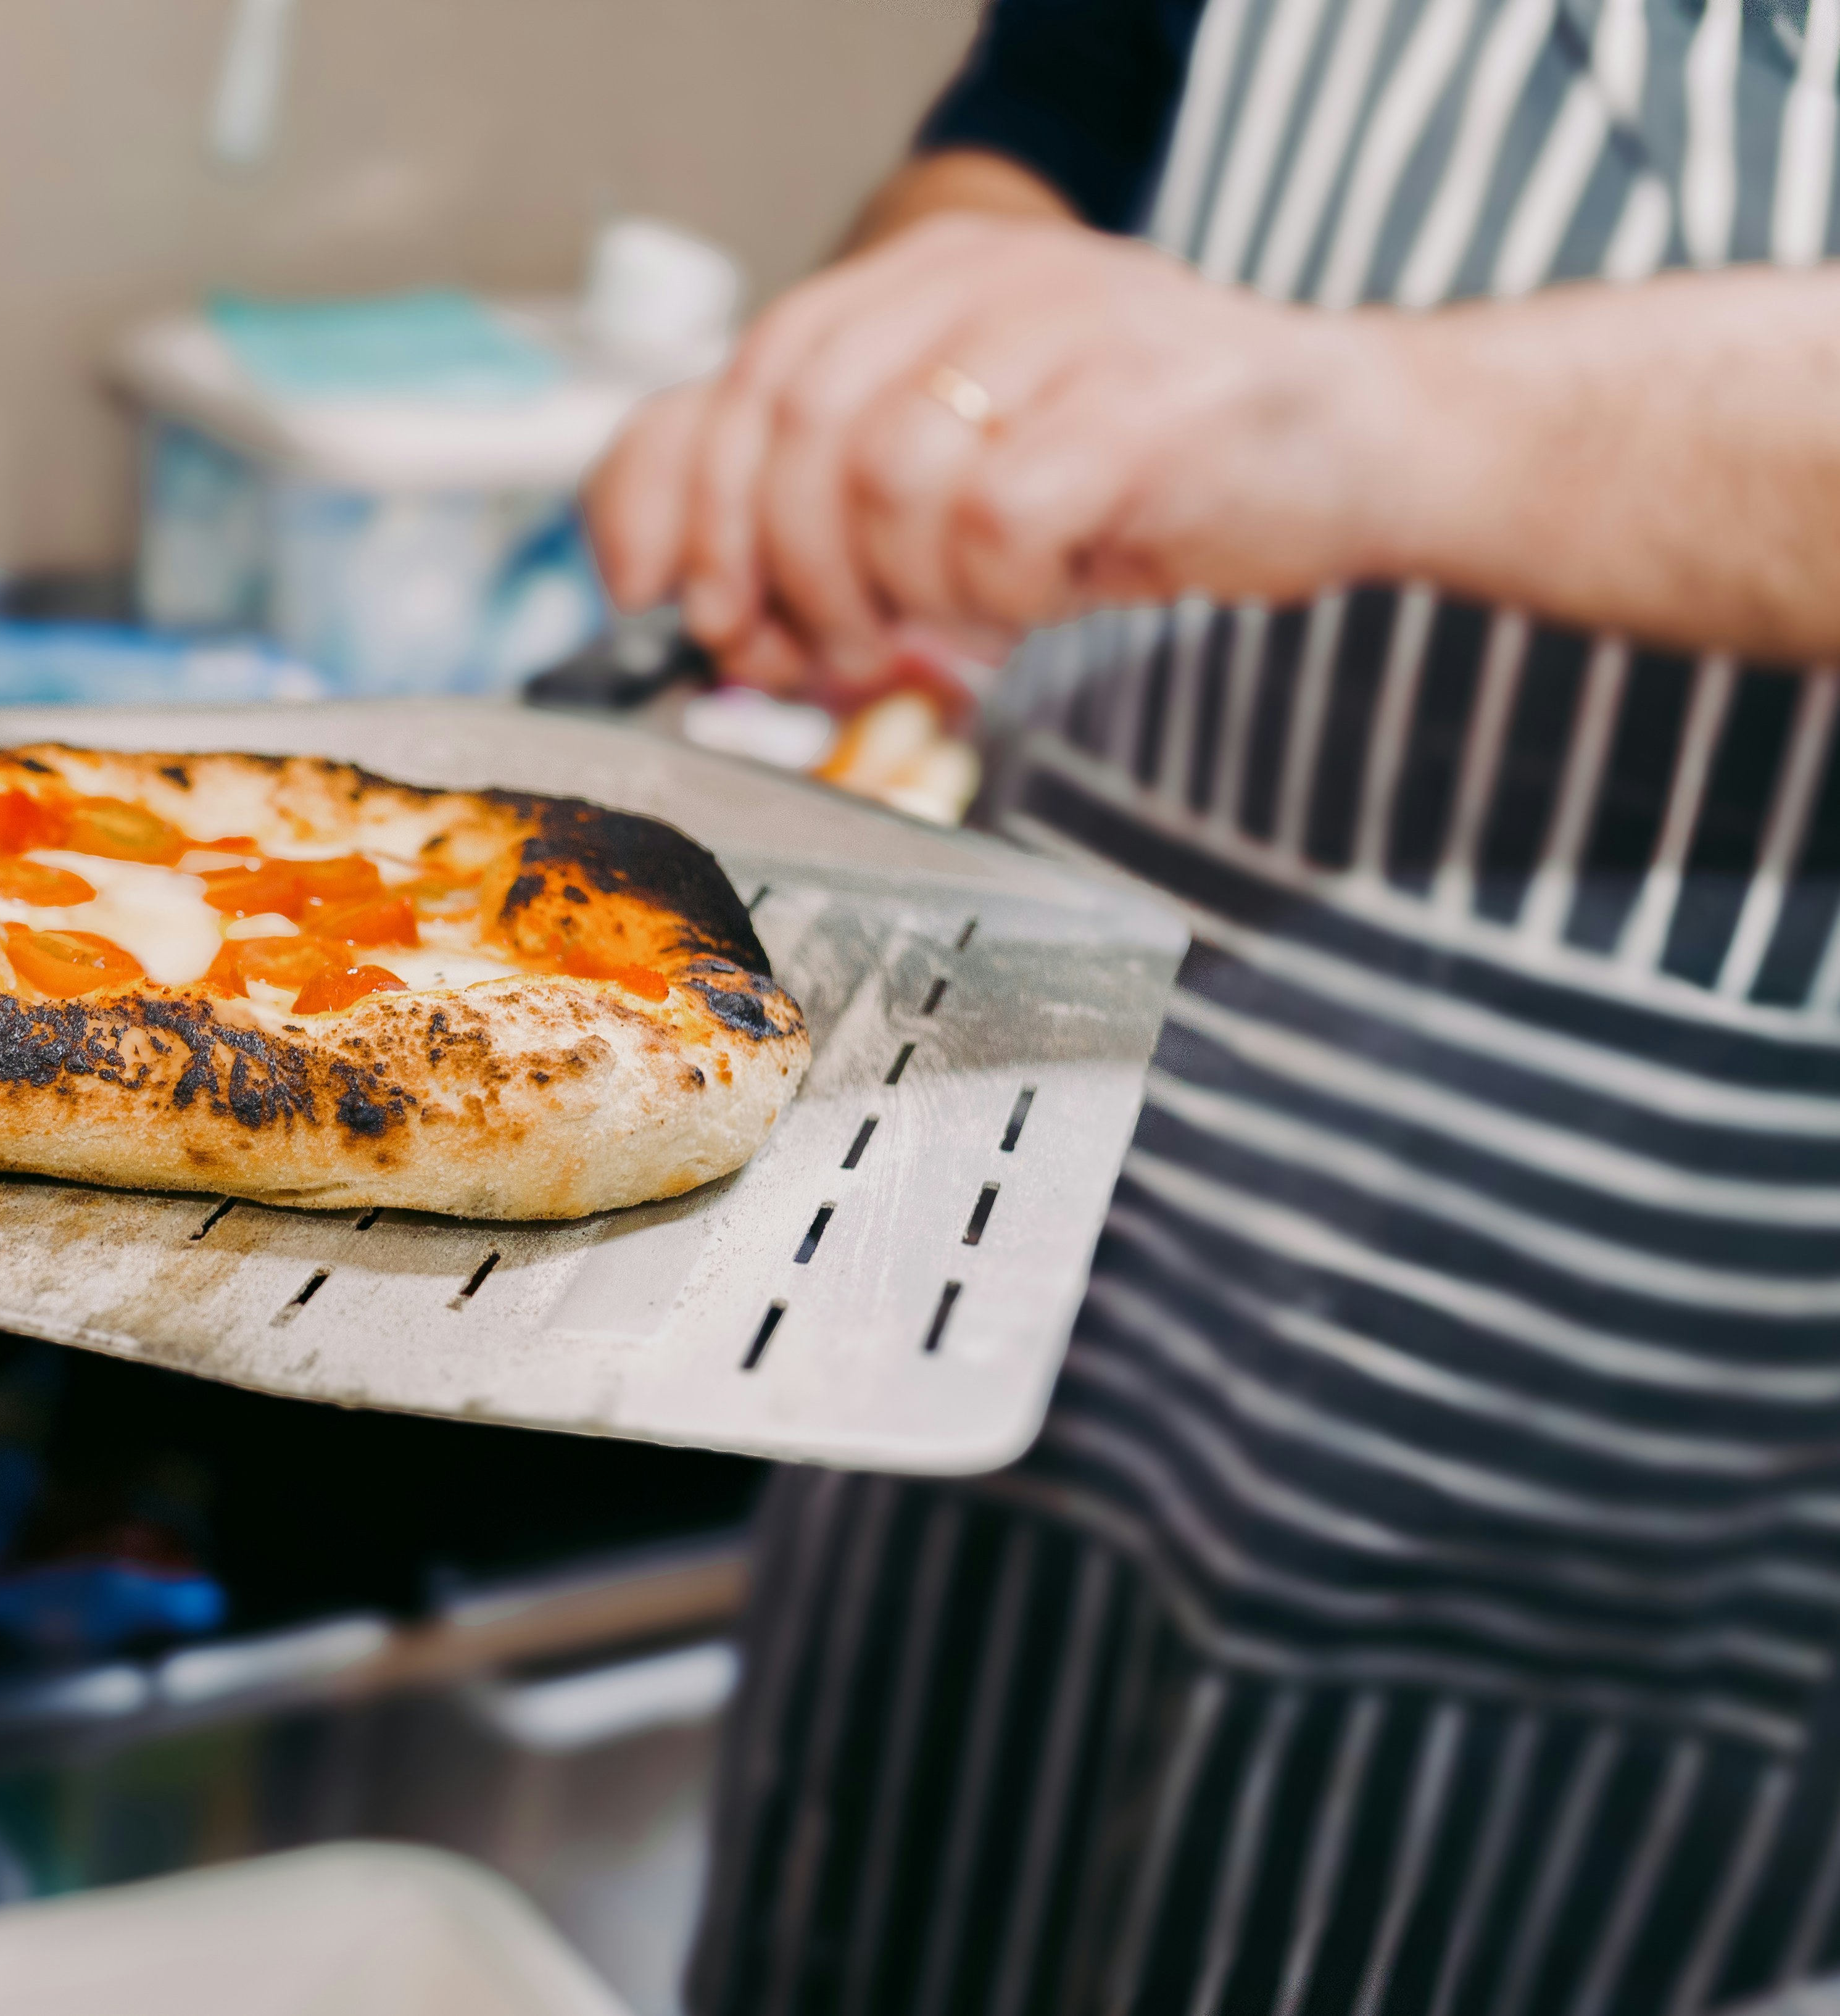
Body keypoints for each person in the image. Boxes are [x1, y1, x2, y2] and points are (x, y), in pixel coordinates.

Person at [584, 0, 1840, 2007]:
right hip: (1012, 1188)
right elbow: (1061, 106)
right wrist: (915, 382)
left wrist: (1381, 419)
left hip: (1622, 1399)